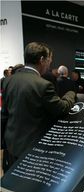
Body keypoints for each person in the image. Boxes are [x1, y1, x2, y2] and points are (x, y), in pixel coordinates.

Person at [2, 42, 77, 170]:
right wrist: (70, 93)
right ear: (42, 60)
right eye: (49, 59)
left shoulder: (8, 80)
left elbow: (5, 114)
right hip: (32, 151)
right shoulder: (43, 85)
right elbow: (62, 108)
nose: (50, 63)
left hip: (11, 146)